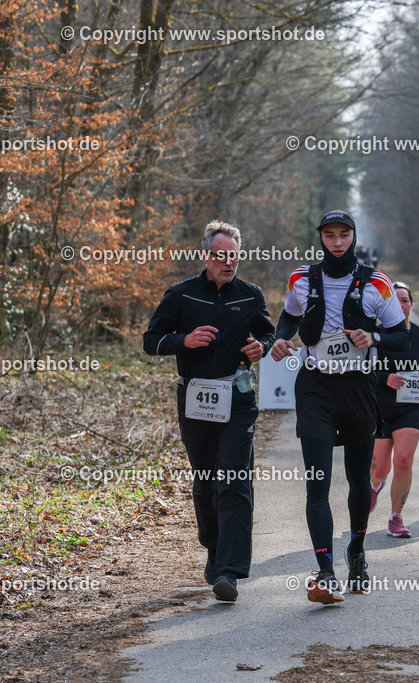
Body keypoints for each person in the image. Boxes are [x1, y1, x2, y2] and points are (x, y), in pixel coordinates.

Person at [271, 210, 409, 604]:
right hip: (315, 387)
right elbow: (288, 318)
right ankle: (325, 569)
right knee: (318, 482)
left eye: (343, 234)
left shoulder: (376, 283)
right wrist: (281, 339)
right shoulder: (302, 279)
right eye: (329, 235)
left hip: (358, 389)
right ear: (321, 238)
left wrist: (374, 335)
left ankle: (358, 552)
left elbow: (401, 336)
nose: (336, 242)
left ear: (353, 237)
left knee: (357, 481)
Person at [143, 221, 275, 603]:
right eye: (221, 256)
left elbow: (267, 333)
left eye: (234, 256)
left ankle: (230, 570)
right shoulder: (182, 295)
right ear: (206, 256)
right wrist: (184, 340)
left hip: (238, 398)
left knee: (235, 479)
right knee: (205, 479)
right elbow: (151, 342)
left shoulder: (250, 295)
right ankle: (214, 550)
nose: (228, 263)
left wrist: (261, 348)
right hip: (196, 397)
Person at [369, 282, 419, 538]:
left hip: (410, 408)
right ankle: (375, 486)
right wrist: (384, 378)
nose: (400, 305)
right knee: (379, 470)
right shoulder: (374, 336)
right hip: (379, 408)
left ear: (412, 305)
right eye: (395, 301)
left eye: (405, 301)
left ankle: (396, 517)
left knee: (404, 460)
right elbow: (358, 369)